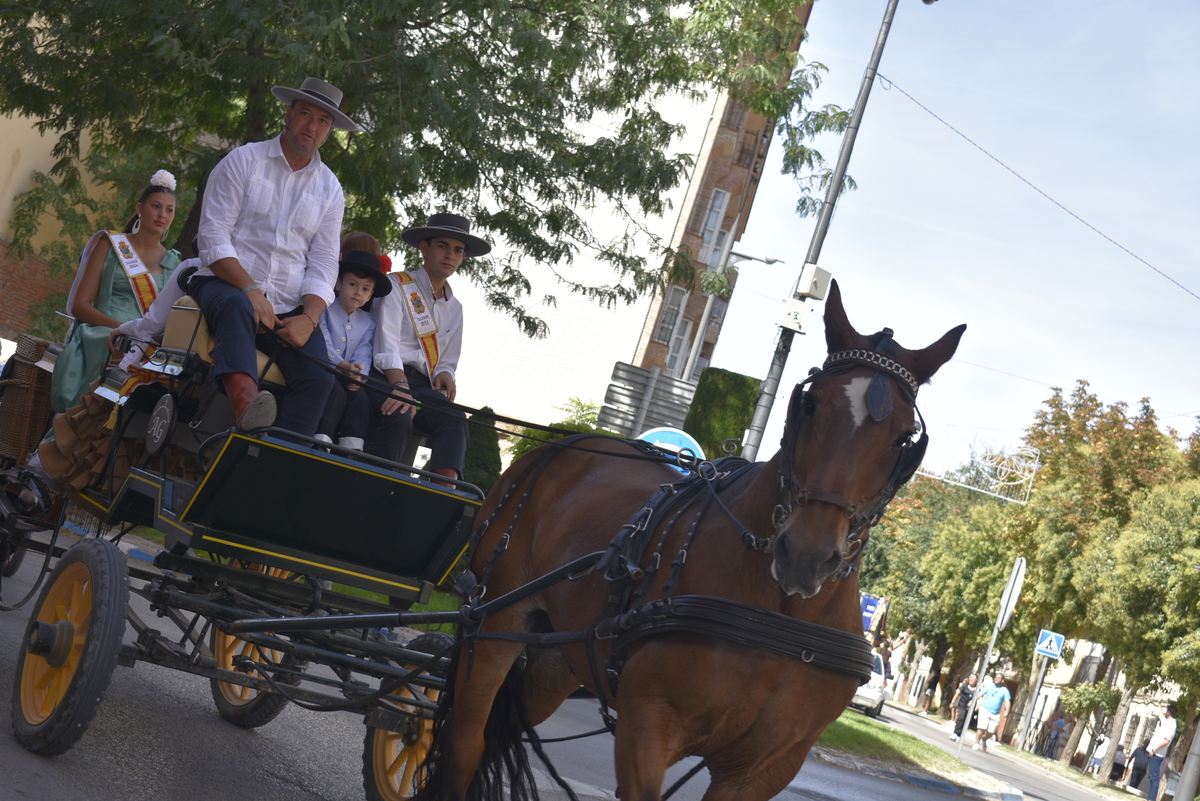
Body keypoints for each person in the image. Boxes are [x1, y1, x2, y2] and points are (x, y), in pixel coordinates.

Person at [190, 76, 357, 433]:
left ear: (329, 131)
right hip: (226, 284)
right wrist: (250, 290)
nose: (312, 126)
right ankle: (247, 409)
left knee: (320, 378)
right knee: (237, 306)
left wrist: (310, 319)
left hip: (289, 307)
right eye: (306, 114)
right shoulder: (243, 160)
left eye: (323, 121)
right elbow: (213, 237)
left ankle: (279, 464)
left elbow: (325, 263)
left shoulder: (331, 189)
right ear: (288, 113)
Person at [369, 213, 490, 484]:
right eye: (442, 246)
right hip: (382, 378)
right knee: (400, 414)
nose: (450, 255)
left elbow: (447, 360)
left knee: (454, 417)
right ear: (424, 248)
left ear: (463, 258)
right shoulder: (396, 285)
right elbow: (385, 347)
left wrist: (446, 373)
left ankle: (442, 493)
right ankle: (377, 487)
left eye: (458, 250)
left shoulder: (456, 308)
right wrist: (400, 388)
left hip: (422, 388)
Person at [51, 171, 181, 412]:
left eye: (169, 210)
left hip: (144, 340)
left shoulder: (174, 263)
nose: (162, 214)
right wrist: (123, 330)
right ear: (139, 208)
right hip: (102, 331)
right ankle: (72, 426)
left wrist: (138, 335)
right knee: (116, 347)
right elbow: (79, 306)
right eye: (156, 206)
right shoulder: (110, 244)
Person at [315, 249, 391, 450]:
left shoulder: (368, 322)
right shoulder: (323, 309)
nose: (358, 292)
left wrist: (359, 373)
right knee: (335, 393)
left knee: (360, 400)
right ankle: (320, 442)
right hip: (325, 369)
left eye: (366, 289)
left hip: (349, 374)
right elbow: (322, 343)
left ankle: (351, 450)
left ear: (371, 295)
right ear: (339, 283)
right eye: (352, 284)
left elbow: (364, 351)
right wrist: (342, 365)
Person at [972, 671, 1011, 751]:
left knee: (992, 730)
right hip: (985, 709)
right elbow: (980, 694)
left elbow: (1007, 701)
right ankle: (976, 743)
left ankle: (984, 739)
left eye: (998, 678)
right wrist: (973, 701)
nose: (996, 679)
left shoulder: (1004, 690)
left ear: (1002, 680)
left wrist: (1007, 711)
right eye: (995, 677)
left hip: (996, 713)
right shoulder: (989, 687)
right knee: (981, 728)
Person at [1146, 703, 1177, 801]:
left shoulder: (1171, 724)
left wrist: (1154, 750)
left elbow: (1166, 741)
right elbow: (1160, 715)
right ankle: (1150, 798)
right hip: (1155, 753)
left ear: (1168, 712)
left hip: (1157, 754)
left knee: (1154, 778)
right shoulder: (1167, 722)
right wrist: (1159, 703)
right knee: (1152, 777)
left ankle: (1152, 799)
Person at [949, 673, 977, 742]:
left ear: (976, 680)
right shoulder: (964, 686)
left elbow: (980, 698)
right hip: (962, 705)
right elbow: (957, 694)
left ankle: (960, 735)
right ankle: (955, 733)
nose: (971, 679)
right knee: (961, 718)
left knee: (965, 721)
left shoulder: (978, 689)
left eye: (973, 678)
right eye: (970, 677)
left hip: (970, 708)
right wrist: (952, 702)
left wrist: (974, 703)